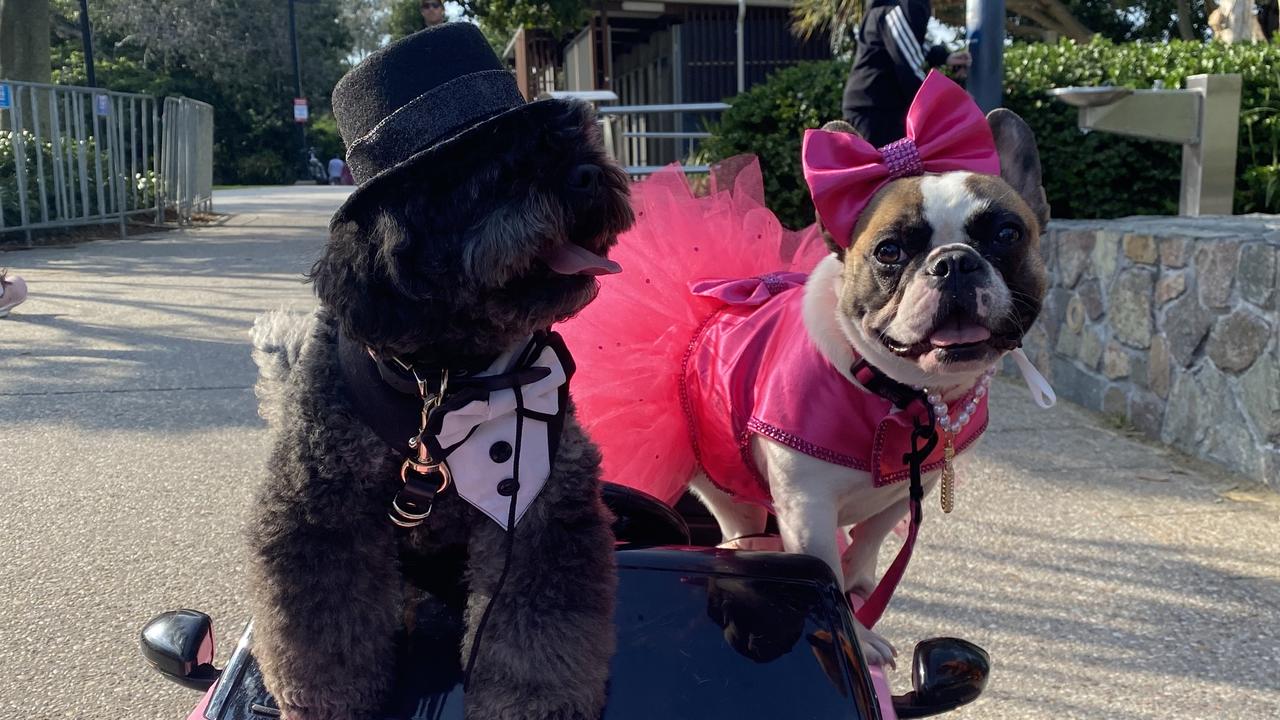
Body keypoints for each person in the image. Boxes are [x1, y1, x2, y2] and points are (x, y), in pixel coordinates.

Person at [842, 0, 971, 147]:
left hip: (876, 106)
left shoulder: (889, 9)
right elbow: (910, 67)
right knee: (883, 166)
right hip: (874, 110)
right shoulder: (891, 13)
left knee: (889, 165)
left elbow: (913, 46)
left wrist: (945, 57)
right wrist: (953, 102)